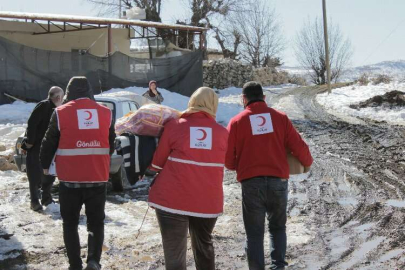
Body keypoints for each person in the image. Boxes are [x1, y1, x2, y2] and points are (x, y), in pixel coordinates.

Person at [225, 82, 313, 270]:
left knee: (254, 234)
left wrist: (240, 166)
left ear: (244, 99)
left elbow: (228, 160)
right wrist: (307, 162)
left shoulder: (236, 122)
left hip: (251, 183)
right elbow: (299, 146)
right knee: (278, 228)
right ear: (264, 98)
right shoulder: (280, 118)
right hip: (278, 182)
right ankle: (278, 267)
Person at [147, 87, 228, 270]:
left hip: (171, 200)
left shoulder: (175, 125)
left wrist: (148, 170)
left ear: (191, 102)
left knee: (174, 253)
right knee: (204, 246)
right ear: (213, 105)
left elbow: (158, 163)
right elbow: (229, 162)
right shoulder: (223, 133)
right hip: (207, 202)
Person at [40, 76, 116, 270]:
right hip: (97, 178)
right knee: (96, 223)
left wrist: (45, 167)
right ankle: (93, 261)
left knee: (70, 223)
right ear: (90, 91)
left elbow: (49, 143)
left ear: (69, 92)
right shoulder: (106, 113)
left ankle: (75, 264)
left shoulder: (60, 113)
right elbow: (111, 144)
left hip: (69, 180)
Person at [23, 86, 64, 211]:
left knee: (49, 174)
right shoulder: (43, 106)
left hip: (50, 147)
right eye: (62, 97)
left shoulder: (58, 109)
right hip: (36, 146)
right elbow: (32, 124)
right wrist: (29, 142)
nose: (63, 99)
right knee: (35, 175)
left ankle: (46, 198)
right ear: (58, 97)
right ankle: (34, 201)